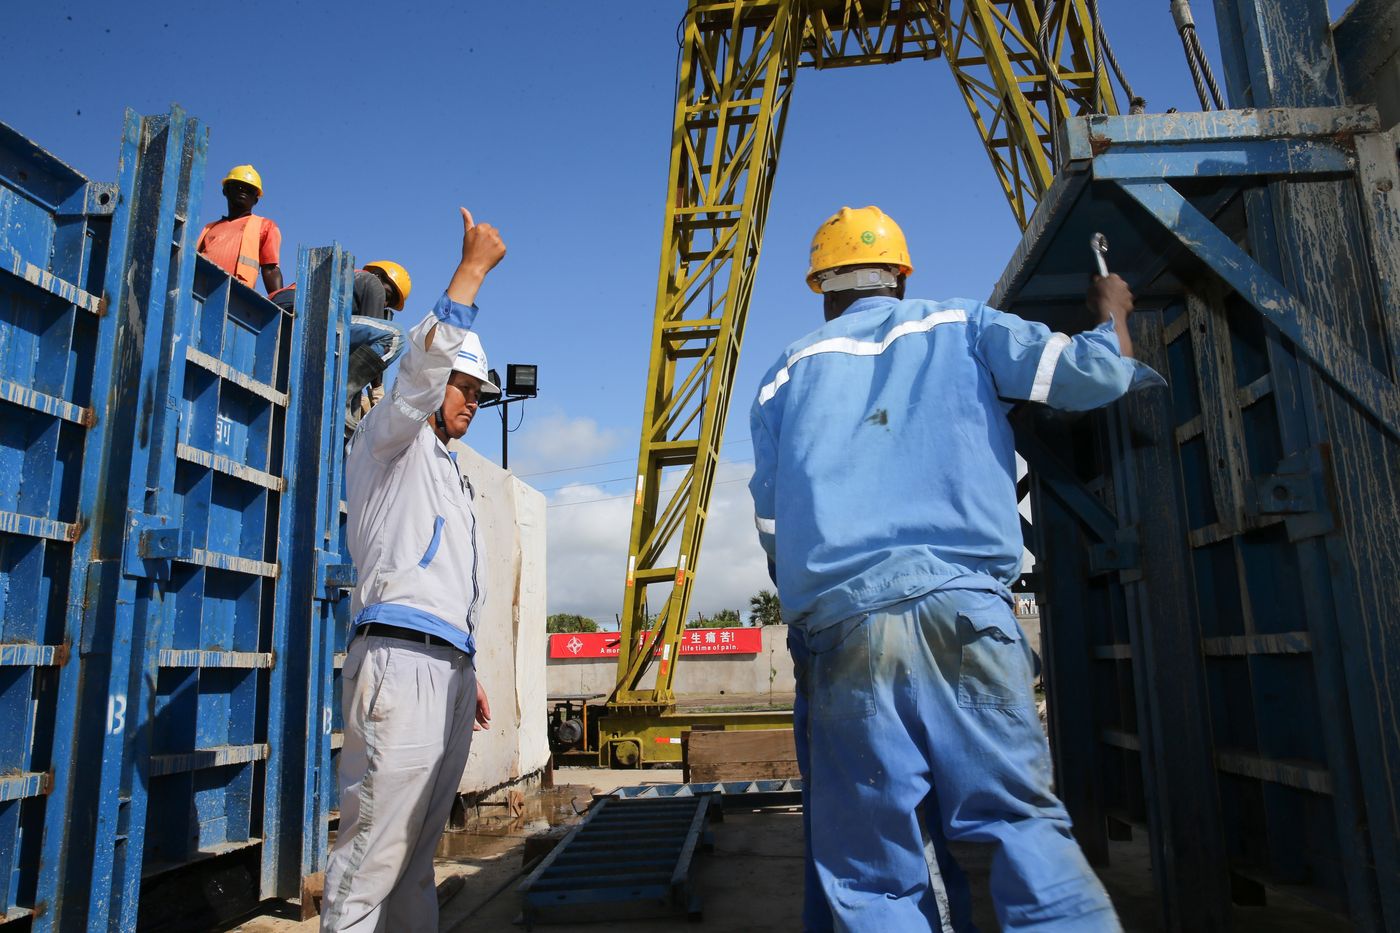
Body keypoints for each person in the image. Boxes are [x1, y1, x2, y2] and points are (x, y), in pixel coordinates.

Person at [749, 206, 1161, 932]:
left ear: (822, 287)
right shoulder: (964, 326)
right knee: (1025, 829)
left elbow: (775, 530)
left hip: (843, 636)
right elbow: (1094, 375)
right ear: (902, 277)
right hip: (967, 615)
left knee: (873, 874)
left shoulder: (784, 376)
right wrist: (1112, 313)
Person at [321, 207, 506, 933]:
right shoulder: (391, 437)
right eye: (463, 385)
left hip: (442, 666)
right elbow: (418, 373)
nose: (469, 400)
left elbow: (444, 575)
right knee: (370, 855)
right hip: (398, 662)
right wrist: (468, 275)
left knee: (414, 857)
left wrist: (468, 663)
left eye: (478, 392)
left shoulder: (450, 476)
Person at [270, 261, 413, 422]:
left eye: (389, 303)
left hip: (284, 310)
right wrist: (377, 391)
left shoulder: (345, 281)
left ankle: (342, 394)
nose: (384, 303)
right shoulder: (371, 281)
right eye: (388, 295)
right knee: (395, 336)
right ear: (378, 275)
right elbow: (369, 342)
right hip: (307, 312)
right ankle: (340, 395)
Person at [196, 164, 283, 293]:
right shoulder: (209, 228)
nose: (243, 191)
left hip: (236, 296)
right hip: (199, 291)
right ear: (225, 190)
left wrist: (280, 303)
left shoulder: (264, 226)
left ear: (256, 199)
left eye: (250, 190)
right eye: (239, 186)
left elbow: (270, 269)